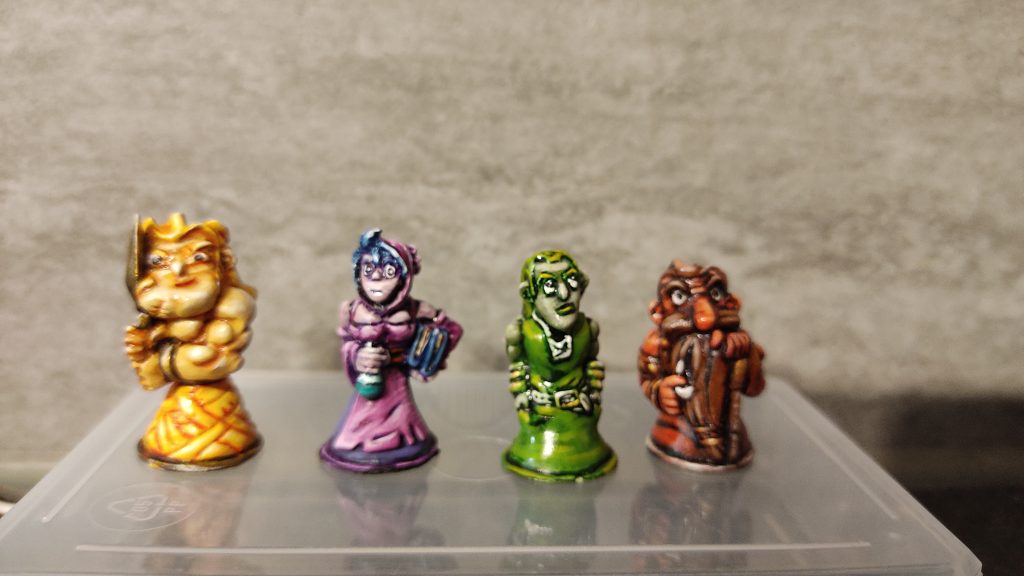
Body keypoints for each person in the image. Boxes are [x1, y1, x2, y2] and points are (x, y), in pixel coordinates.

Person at [320, 229, 462, 473]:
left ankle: (401, 443)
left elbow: (451, 330)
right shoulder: (351, 311)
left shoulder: (416, 309)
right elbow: (347, 342)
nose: (376, 278)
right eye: (368, 270)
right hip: (368, 385)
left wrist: (423, 359)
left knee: (402, 427)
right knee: (358, 430)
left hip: (397, 384)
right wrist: (357, 356)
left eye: (388, 271)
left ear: (404, 277)